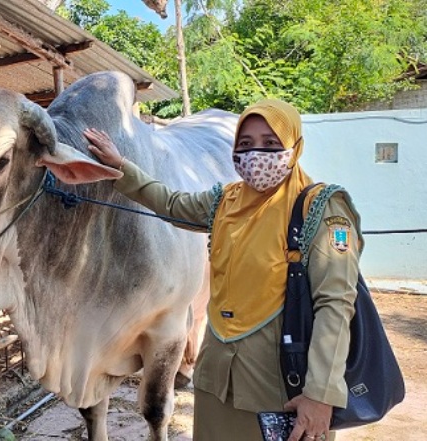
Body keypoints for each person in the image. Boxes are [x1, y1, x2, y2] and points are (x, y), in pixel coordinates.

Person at [84, 99, 361, 441]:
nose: (256, 154)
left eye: (270, 143)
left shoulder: (321, 210)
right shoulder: (225, 201)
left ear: (295, 146)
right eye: (245, 143)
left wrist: (320, 395)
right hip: (217, 379)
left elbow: (335, 305)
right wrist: (121, 166)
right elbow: (170, 204)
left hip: (282, 386)